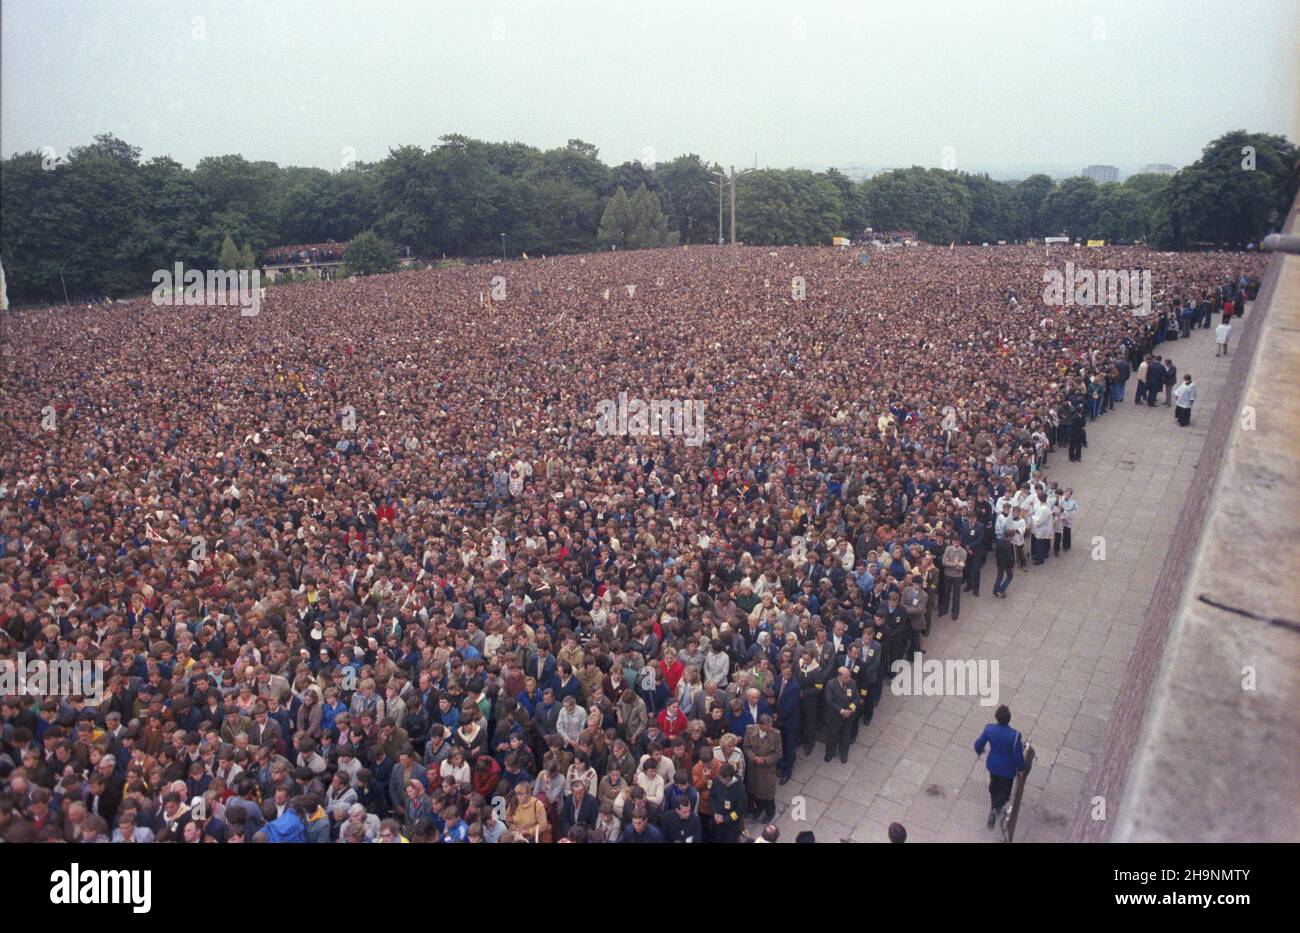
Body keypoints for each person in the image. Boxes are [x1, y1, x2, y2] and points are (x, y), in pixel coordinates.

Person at [974, 705, 1026, 830]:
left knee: (994, 786)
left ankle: (994, 808)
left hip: (993, 765)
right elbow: (1017, 755)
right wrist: (1021, 768)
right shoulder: (1015, 735)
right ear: (1009, 719)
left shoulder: (989, 729)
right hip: (1007, 770)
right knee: (1005, 793)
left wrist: (980, 750)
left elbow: (978, 744)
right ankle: (996, 808)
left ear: (996, 718)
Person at [822, 667, 856, 764]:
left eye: (849, 677)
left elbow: (856, 697)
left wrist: (850, 710)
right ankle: (829, 753)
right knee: (832, 736)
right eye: (846, 677)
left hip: (848, 716)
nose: (848, 679)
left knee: (845, 736)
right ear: (840, 676)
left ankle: (844, 754)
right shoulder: (831, 684)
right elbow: (829, 701)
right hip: (835, 716)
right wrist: (842, 711)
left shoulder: (852, 682)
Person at [992, 529, 1016, 598]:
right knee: (1010, 576)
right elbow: (1008, 557)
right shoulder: (1008, 545)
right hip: (1006, 564)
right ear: (1009, 536)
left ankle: (995, 591)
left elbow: (996, 553)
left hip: (999, 562)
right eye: (1012, 537)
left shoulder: (999, 542)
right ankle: (1001, 590)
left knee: (999, 577)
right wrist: (1011, 566)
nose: (1012, 538)